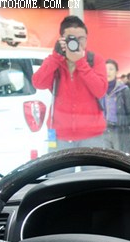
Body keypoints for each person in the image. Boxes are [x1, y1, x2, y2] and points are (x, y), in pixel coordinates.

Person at [32, 15, 107, 150]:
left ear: (87, 39)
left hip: (91, 135)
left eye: (81, 38)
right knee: (59, 165)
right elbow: (38, 83)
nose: (77, 43)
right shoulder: (55, 61)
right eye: (72, 38)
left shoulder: (95, 60)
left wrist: (81, 63)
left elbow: (100, 91)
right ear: (62, 39)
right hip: (59, 135)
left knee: (93, 166)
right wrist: (56, 57)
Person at [102, 59, 130, 154]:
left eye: (111, 69)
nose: (108, 72)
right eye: (105, 69)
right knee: (104, 159)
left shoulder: (123, 89)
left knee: (120, 158)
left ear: (116, 72)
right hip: (103, 131)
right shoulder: (99, 89)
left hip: (120, 131)